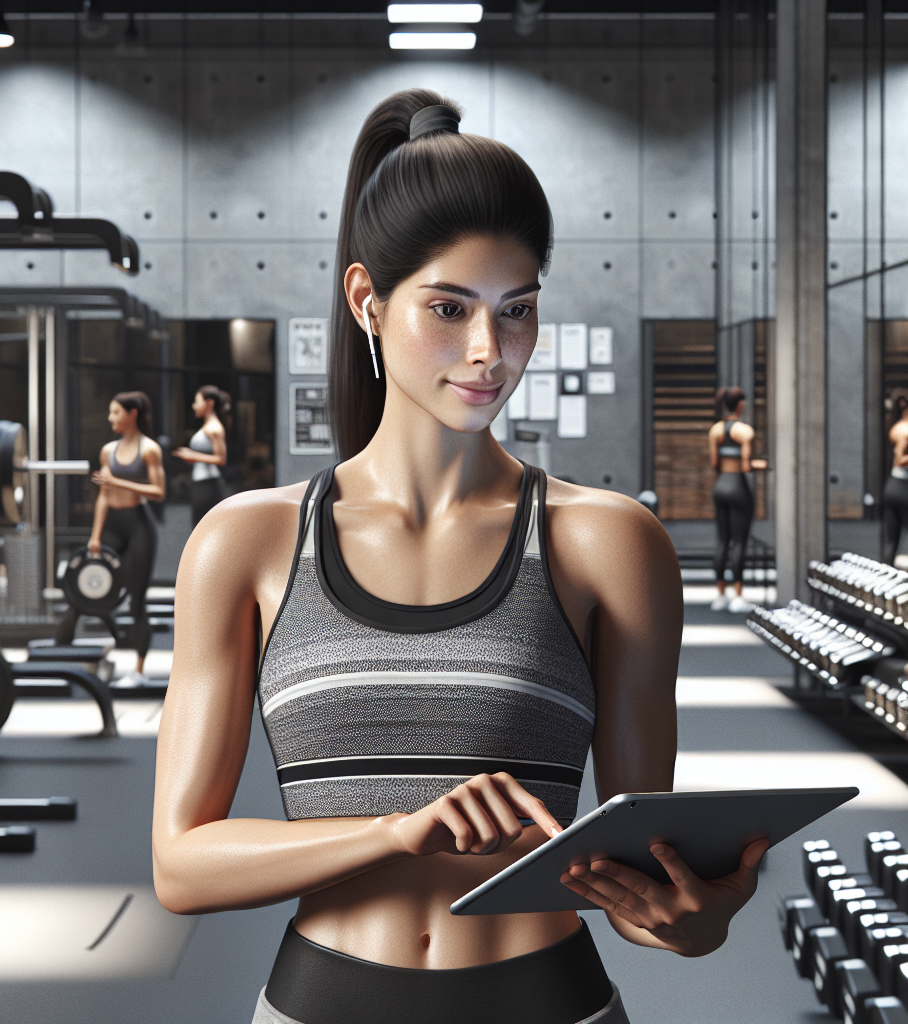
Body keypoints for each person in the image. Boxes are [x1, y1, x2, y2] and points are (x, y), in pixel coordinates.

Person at [153, 90, 768, 1024]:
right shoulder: (247, 542)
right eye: (449, 307)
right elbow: (180, 864)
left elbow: (638, 879)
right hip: (321, 1001)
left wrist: (691, 920)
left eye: (515, 310)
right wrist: (394, 835)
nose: (490, 352)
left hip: (550, 1000)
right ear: (368, 300)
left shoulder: (605, 542)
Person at [56, 391, 165, 677]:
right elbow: (104, 495)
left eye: (116, 412)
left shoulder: (149, 449)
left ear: (132, 415)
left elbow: (158, 492)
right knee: (84, 589)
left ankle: (139, 669)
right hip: (112, 525)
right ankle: (59, 661)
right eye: (110, 412)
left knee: (137, 598)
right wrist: (95, 535)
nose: (111, 418)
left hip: (138, 525)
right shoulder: (108, 450)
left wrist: (119, 481)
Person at [708, 387, 766, 614]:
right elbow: (746, 465)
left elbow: (714, 464)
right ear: (740, 406)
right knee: (739, 542)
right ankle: (738, 595)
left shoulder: (716, 430)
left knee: (722, 541)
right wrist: (761, 465)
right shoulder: (745, 431)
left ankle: (720, 593)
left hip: (720, 485)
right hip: (738, 487)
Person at [172, 385, 229, 529]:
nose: (194, 406)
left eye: (197, 402)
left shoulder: (214, 428)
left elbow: (221, 459)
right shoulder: (208, 426)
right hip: (201, 483)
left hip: (208, 484)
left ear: (209, 403)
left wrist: (193, 456)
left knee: (203, 528)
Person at [884, 391, 908, 566]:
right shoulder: (904, 430)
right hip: (903, 486)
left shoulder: (896, 426)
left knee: (891, 541)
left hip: (893, 484)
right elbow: (900, 458)